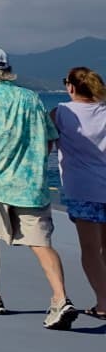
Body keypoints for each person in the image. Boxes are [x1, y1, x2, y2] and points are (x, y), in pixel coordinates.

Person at [0, 45, 77, 327]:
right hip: (31, 183)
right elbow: (49, 137)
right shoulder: (31, 97)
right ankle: (61, 299)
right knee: (41, 243)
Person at [52, 66, 106, 319]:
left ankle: (104, 302)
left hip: (83, 189)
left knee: (90, 249)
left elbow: (44, 144)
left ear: (71, 87)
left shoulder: (61, 113)